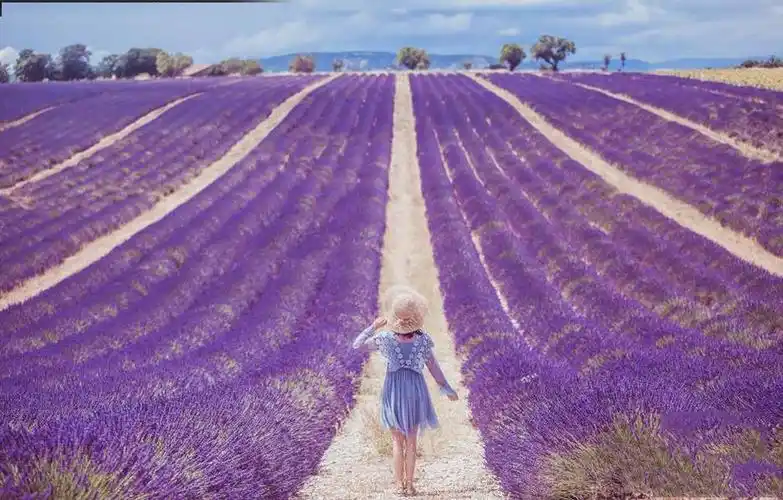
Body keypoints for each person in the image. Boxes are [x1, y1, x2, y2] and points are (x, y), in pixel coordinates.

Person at [352, 285, 459, 496]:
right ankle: (410, 484)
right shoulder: (423, 341)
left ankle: (398, 485)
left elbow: (357, 345)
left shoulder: (384, 339)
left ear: (394, 317)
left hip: (394, 392)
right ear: (417, 317)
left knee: (396, 442)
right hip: (416, 392)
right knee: (412, 442)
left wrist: (373, 326)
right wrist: (446, 388)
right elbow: (434, 368)